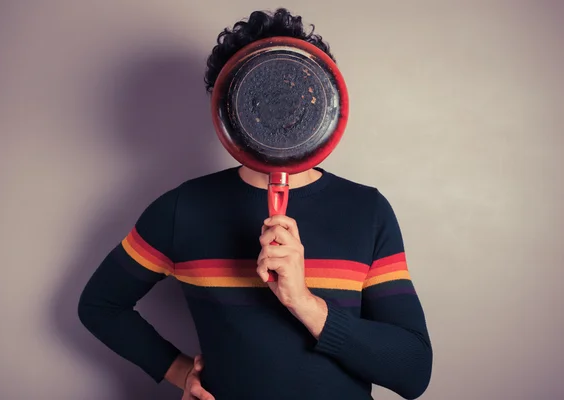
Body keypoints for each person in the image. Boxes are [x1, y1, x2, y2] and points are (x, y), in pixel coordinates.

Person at [78, 8, 433, 400]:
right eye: (260, 89)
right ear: (230, 104)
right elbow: (100, 305)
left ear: (317, 94)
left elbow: (413, 371)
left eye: (293, 83)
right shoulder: (182, 210)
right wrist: (182, 373)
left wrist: (304, 303)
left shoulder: (367, 212)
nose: (279, 102)